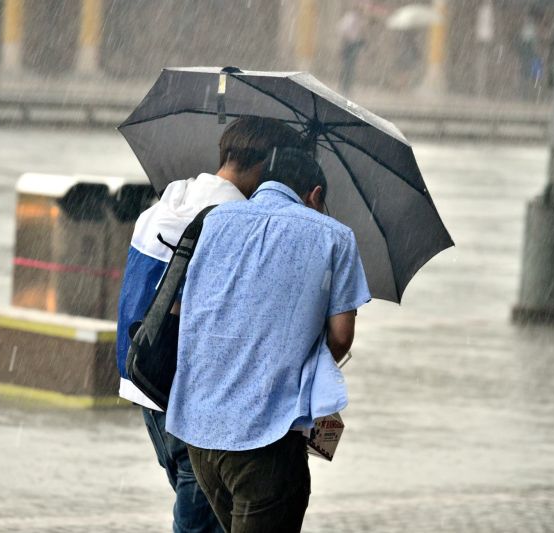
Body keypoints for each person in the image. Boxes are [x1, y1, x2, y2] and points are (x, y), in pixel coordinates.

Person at [115, 116, 305, 533]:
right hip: (194, 397)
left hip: (144, 376)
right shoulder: (237, 222)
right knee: (203, 522)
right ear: (265, 167)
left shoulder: (169, 200)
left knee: (200, 508)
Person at [166, 148, 371, 532]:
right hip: (266, 437)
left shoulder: (213, 220)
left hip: (200, 432)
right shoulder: (334, 236)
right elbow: (341, 337)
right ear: (314, 194)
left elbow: (190, 308)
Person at [338, 6, 366, 95]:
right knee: (348, 66)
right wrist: (349, 38)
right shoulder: (351, 18)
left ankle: (346, 87)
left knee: (350, 67)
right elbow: (342, 29)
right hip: (350, 44)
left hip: (352, 44)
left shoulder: (356, 19)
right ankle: (345, 87)